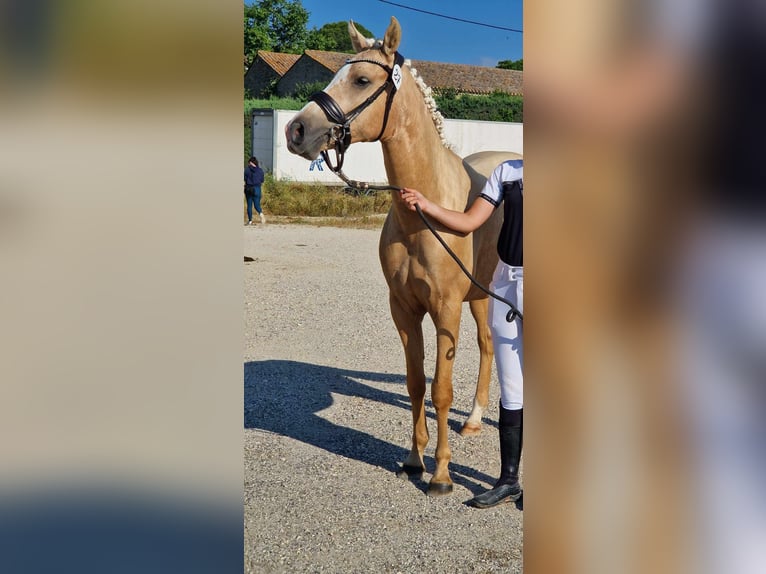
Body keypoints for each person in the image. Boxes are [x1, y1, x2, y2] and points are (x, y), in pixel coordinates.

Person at [398, 158, 524, 509]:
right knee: (512, 388)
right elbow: (469, 222)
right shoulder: (507, 172)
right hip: (507, 287)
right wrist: (427, 205)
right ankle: (509, 480)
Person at [244, 156, 265, 225]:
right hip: (257, 189)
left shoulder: (247, 170)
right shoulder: (260, 170)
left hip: (249, 188)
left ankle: (250, 221)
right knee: (257, 205)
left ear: (250, 162)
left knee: (249, 205)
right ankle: (261, 214)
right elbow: (262, 180)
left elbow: (245, 179)